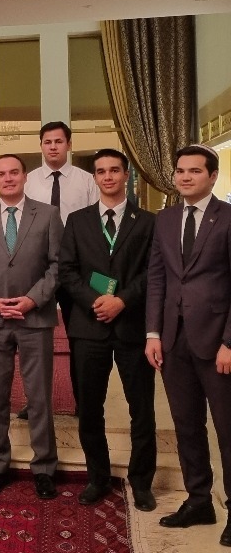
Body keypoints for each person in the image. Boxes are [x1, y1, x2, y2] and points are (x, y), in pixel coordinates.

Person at [58, 149, 156, 510]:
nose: (108, 176)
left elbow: (153, 271)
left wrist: (122, 300)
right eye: (101, 171)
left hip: (132, 326)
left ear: (126, 175)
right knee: (89, 408)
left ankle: (141, 481)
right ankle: (97, 477)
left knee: (141, 409)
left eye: (115, 170)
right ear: (95, 178)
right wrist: (94, 301)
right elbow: (66, 271)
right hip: (89, 327)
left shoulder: (148, 222)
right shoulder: (77, 221)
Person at [145, 145, 231, 547]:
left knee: (227, 429)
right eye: (180, 170)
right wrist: (153, 333)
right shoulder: (164, 219)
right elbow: (157, 278)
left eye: (194, 171)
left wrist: (230, 341)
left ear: (212, 176)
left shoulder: (228, 217)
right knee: (186, 425)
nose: (185, 177)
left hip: (218, 343)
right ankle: (199, 500)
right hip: (173, 340)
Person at [0, 155, 63, 500]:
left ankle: (44, 467)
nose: (8, 179)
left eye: (13, 173)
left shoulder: (48, 215)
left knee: (39, 397)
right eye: (1, 174)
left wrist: (32, 300)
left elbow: (57, 265)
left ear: (24, 176)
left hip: (34, 318)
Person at [23, 121, 99, 417]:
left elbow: (93, 224)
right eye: (47, 141)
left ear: (69, 144)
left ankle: (83, 402)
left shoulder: (86, 181)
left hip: (75, 268)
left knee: (80, 337)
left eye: (58, 141)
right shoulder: (29, 181)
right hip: (38, 268)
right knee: (33, 338)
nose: (53, 146)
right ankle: (35, 402)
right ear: (41, 145)